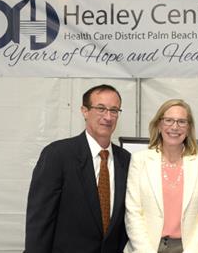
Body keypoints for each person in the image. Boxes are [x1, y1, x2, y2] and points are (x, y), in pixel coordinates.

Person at [24, 84, 131, 253]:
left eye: (114, 110)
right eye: (101, 109)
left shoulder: (126, 160)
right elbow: (40, 221)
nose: (108, 117)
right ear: (84, 111)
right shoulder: (58, 155)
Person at [125, 99, 198, 253]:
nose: (175, 127)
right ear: (159, 125)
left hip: (190, 248)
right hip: (146, 248)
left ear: (188, 128)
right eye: (168, 120)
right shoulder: (140, 160)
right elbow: (133, 212)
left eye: (182, 122)